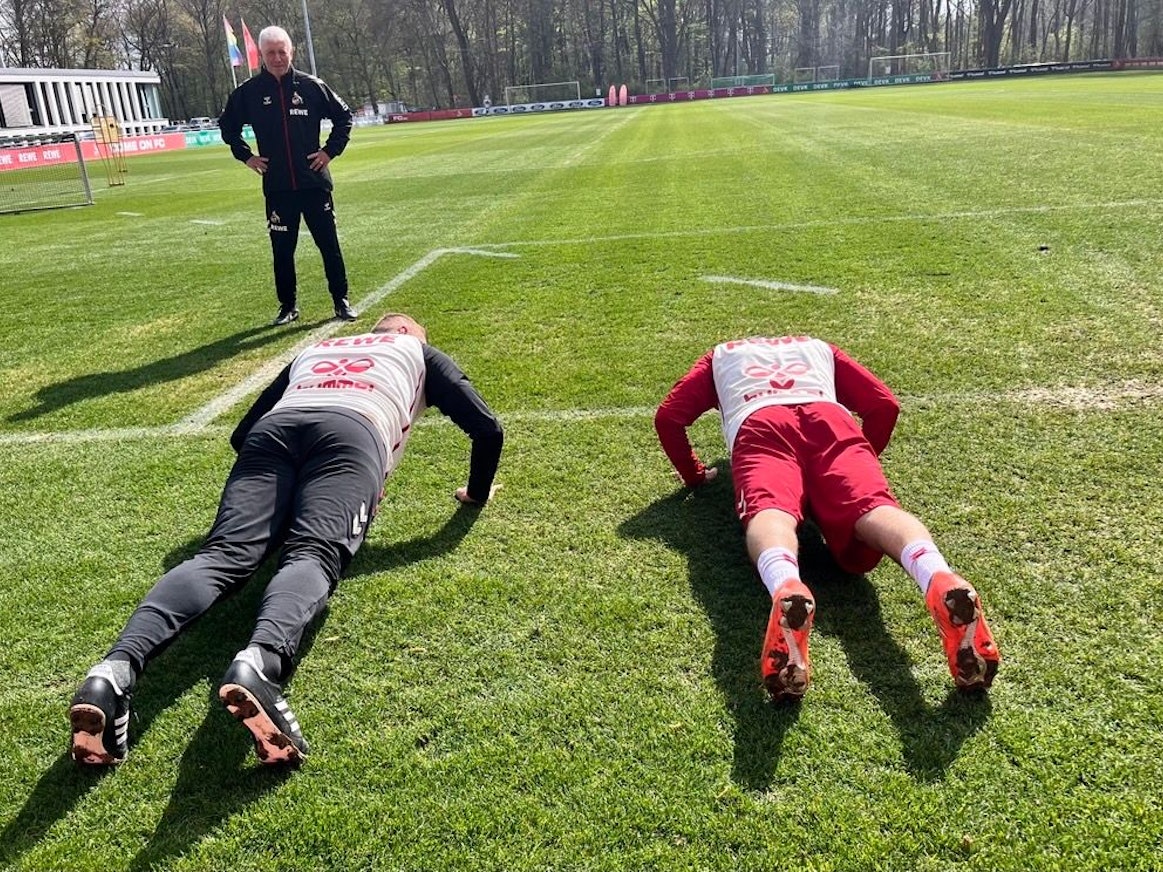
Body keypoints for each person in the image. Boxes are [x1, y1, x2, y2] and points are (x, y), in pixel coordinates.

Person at [69, 313, 504, 765]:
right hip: (354, 433)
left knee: (220, 555)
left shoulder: (316, 350)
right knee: (312, 554)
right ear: (408, 333)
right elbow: (487, 428)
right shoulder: (417, 351)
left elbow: (242, 433)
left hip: (273, 433)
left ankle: (111, 674)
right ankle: (260, 664)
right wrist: (475, 493)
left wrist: (279, 501)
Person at [653, 334, 999, 702]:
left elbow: (669, 417)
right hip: (833, 421)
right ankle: (937, 575)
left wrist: (694, 474)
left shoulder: (720, 356)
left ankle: (787, 583)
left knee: (771, 512)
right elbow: (884, 405)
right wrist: (856, 467)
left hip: (760, 423)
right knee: (874, 509)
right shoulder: (817, 346)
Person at [218, 25, 356, 327]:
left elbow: (344, 117)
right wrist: (247, 156)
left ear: (291, 52)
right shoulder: (249, 93)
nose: (278, 58)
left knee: (329, 245)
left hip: (314, 184)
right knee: (282, 250)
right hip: (278, 187)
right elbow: (227, 126)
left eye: (282, 52)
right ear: (262, 57)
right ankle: (288, 306)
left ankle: (341, 301)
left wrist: (329, 152)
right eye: (271, 53)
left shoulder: (311, 86)